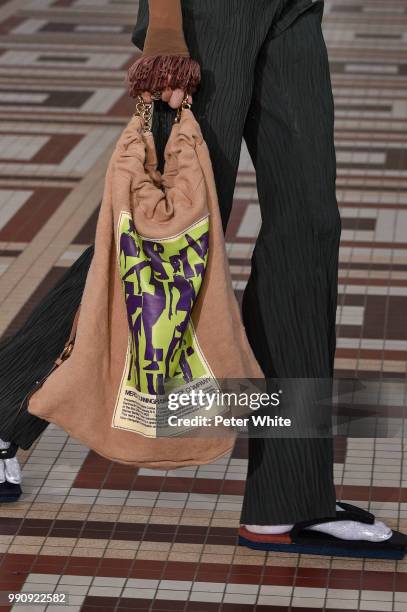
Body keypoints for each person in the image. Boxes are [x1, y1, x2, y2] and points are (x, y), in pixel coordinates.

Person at [0, 0, 405, 558]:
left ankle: (289, 499)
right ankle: (3, 406)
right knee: (160, 237)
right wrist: (166, 25)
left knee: (310, 225)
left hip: (292, 10)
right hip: (207, 16)